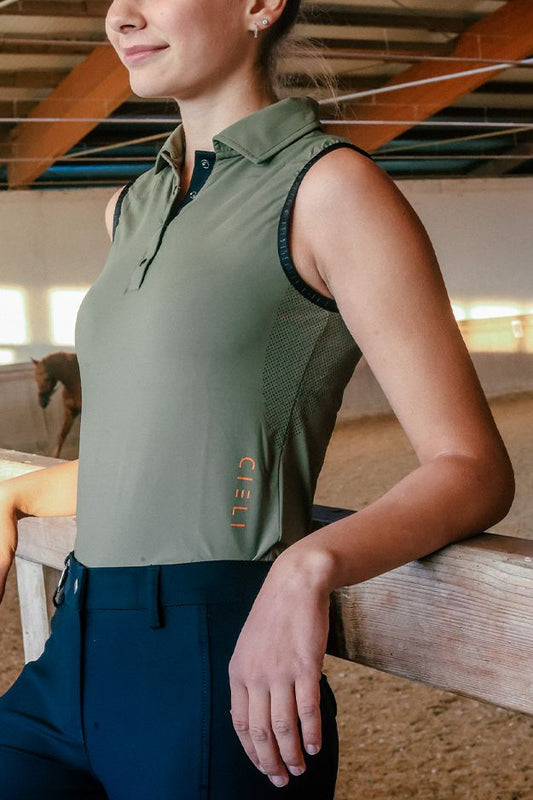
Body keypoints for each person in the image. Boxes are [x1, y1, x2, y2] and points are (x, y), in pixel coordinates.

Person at [0, 0, 515, 797]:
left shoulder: (329, 187)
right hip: (73, 647)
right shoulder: (129, 206)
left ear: (259, 5)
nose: (122, 16)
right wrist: (21, 493)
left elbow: (471, 467)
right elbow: (165, 450)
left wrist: (309, 565)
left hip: (213, 661)